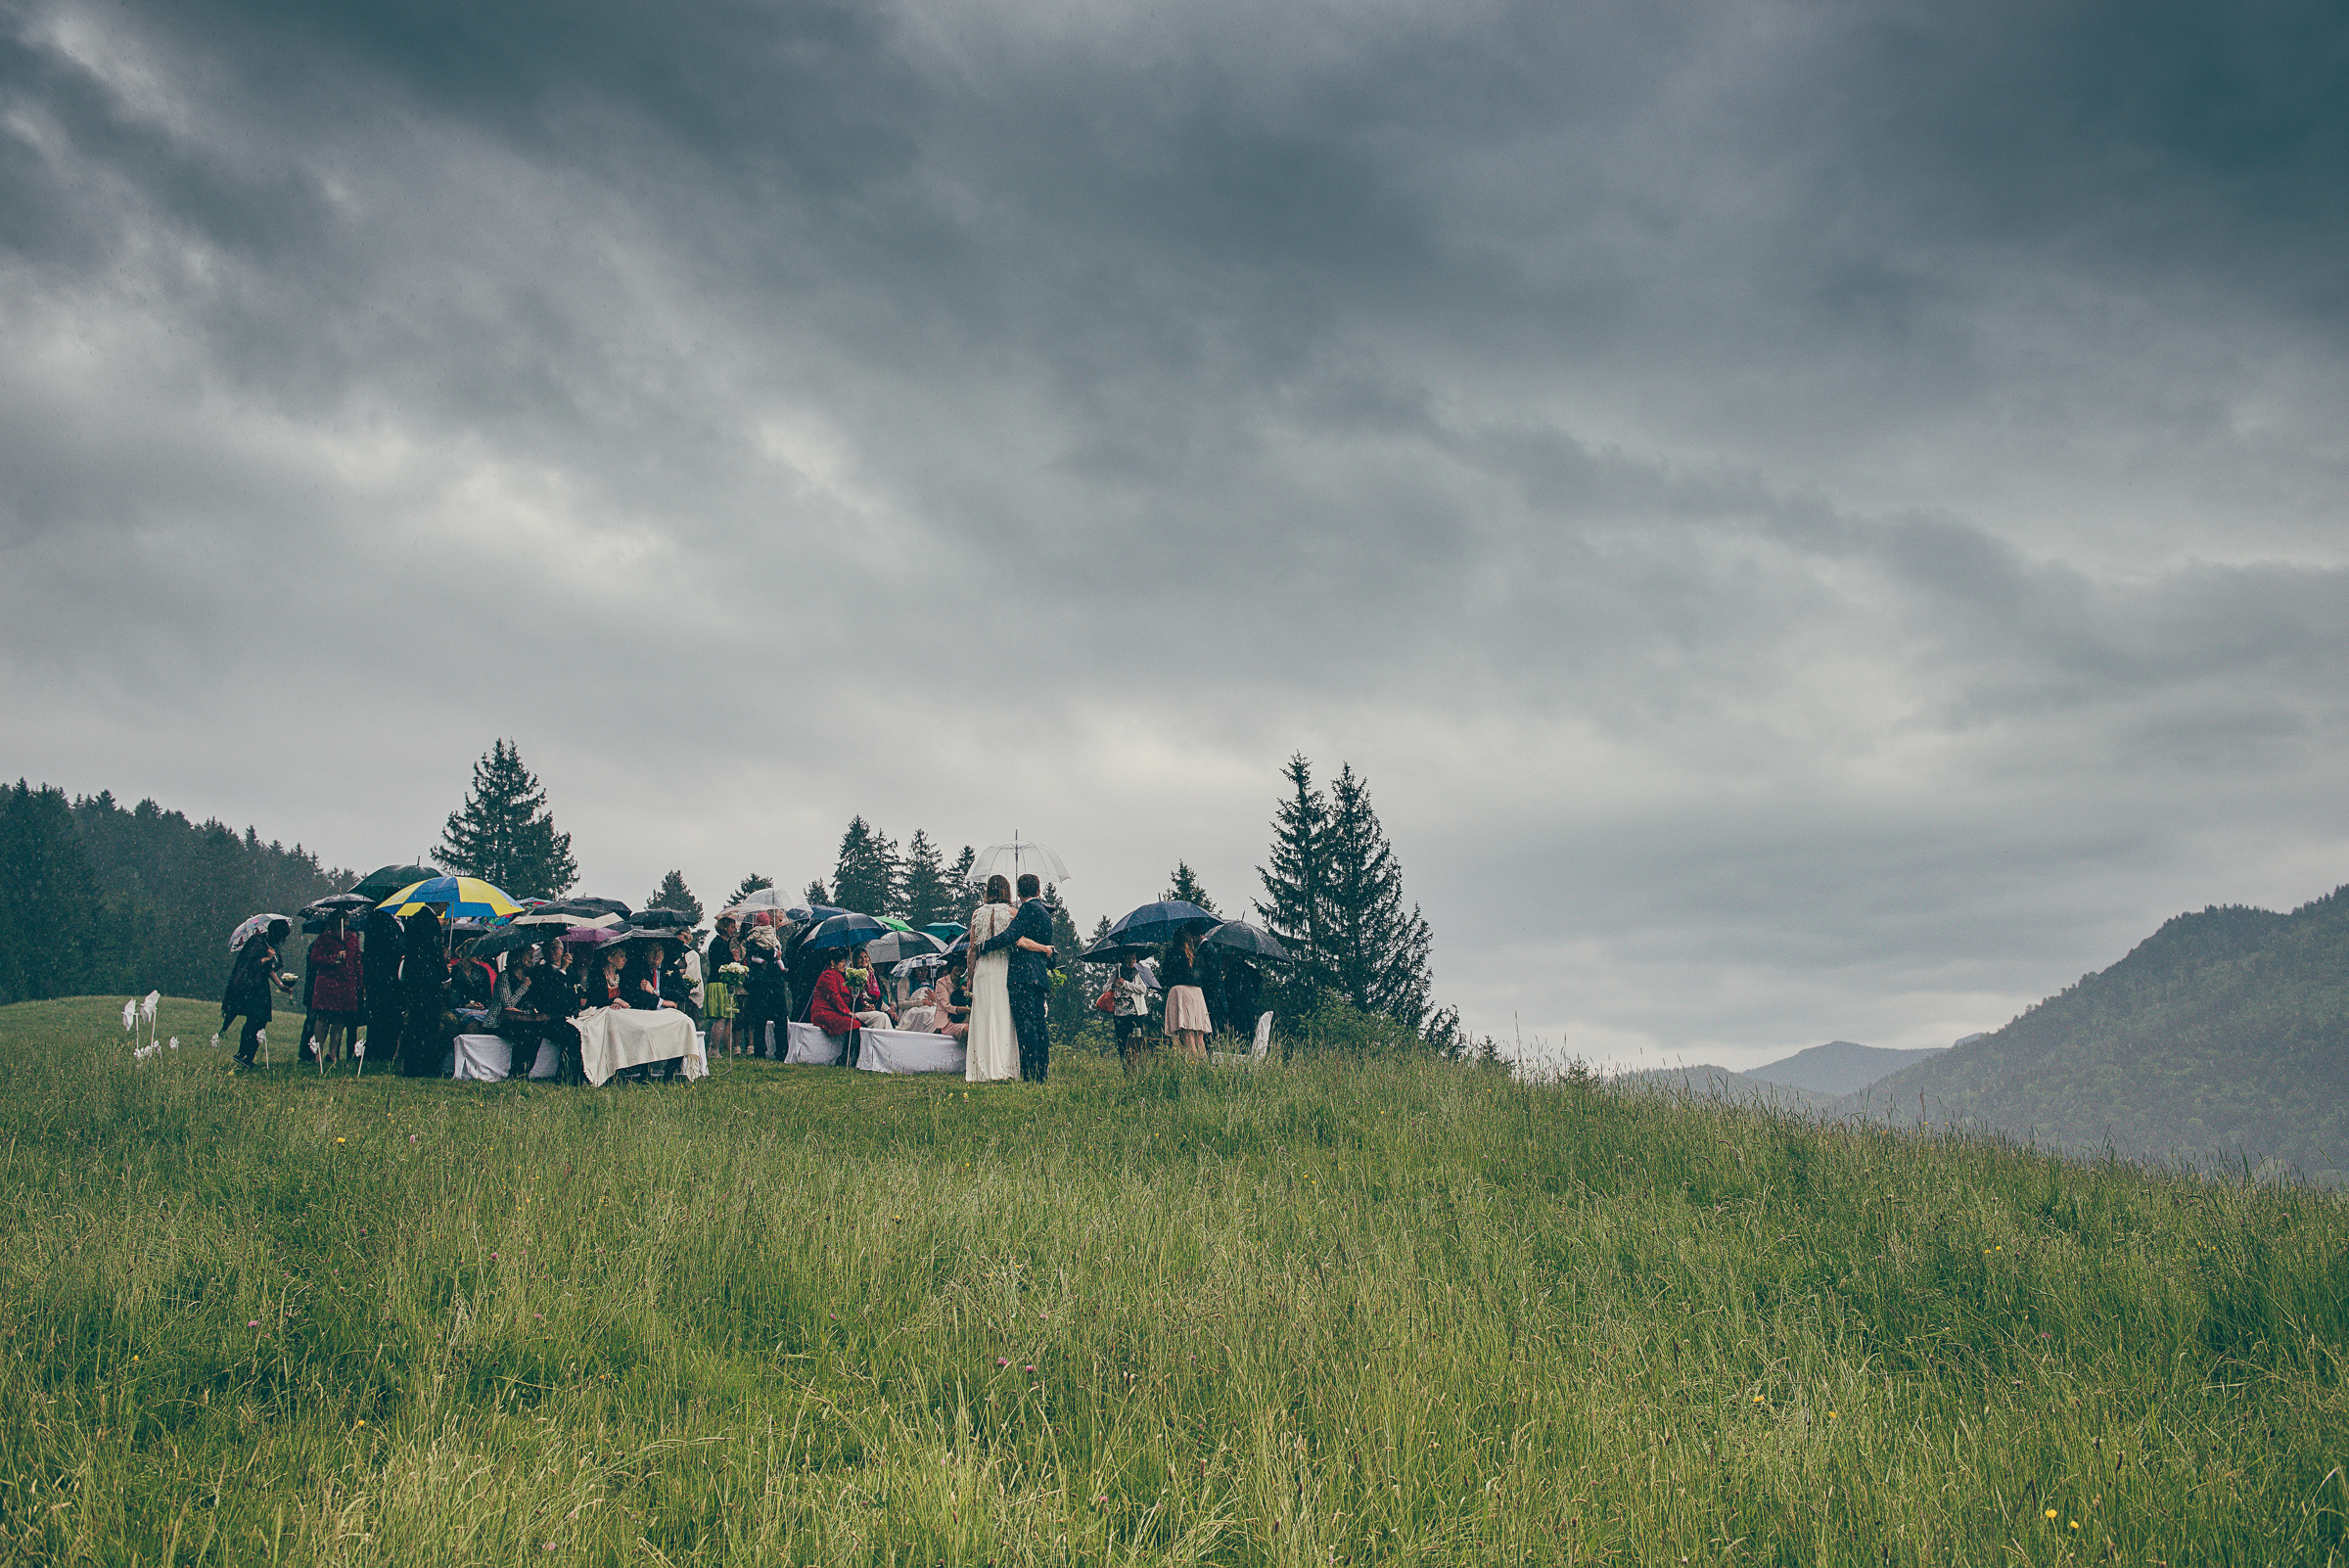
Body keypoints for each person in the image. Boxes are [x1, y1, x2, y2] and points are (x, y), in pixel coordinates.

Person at [978, 872, 1056, 1082]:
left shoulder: (1027, 909)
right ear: (1039, 890)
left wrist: (985, 946)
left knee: (1026, 1025)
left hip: (1023, 976)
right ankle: (1042, 1073)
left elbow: (1011, 936)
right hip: (1039, 975)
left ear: (1019, 892)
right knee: (1040, 1024)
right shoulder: (1046, 914)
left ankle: (1030, 1074)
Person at [963, 878, 1018, 1082]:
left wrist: (969, 977)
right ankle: (1004, 1066)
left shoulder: (977, 914)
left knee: (984, 1018)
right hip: (1004, 966)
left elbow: (972, 949)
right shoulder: (1013, 913)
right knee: (1004, 1017)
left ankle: (981, 1068)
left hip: (983, 969)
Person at [221, 921, 293, 1067]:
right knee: (253, 1020)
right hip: (249, 987)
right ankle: (242, 1053)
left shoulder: (271, 945)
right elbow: (247, 964)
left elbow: (269, 969)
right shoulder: (256, 941)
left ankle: (249, 1057)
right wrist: (266, 958)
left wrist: (280, 984)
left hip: (261, 986)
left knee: (262, 1021)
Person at [307, 911, 365, 1068]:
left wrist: (361, 984)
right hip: (327, 983)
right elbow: (314, 959)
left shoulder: (352, 940)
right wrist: (333, 958)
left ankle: (333, 1053)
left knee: (339, 1019)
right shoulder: (323, 939)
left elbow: (357, 963)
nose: (345, 923)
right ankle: (318, 1052)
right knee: (323, 1017)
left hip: (346, 983)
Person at [399, 907, 449, 1077]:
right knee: (429, 1024)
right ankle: (425, 1065)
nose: (446, 907)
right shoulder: (430, 922)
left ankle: (411, 1064)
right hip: (429, 979)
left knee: (415, 1022)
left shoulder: (413, 919)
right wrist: (445, 975)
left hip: (414, 978)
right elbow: (435, 952)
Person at [361, 907, 405, 1068]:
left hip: (394, 977)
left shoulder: (402, 920)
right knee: (380, 1014)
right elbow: (379, 947)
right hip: (381, 975)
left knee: (392, 1016)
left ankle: (388, 1051)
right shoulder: (378, 918)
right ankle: (376, 1052)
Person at [1160, 927, 1212, 1060]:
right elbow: (1204, 977)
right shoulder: (1198, 956)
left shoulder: (1172, 954)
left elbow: (1165, 978)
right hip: (1197, 994)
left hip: (1180, 993)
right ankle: (1205, 1068)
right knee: (1199, 1037)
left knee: (1186, 1034)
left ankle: (1195, 1070)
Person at [741, 921, 789, 1057]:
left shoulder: (776, 938)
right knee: (760, 1017)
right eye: (779, 920)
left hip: (776, 982)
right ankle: (760, 1050)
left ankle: (782, 1050)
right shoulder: (754, 939)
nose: (780, 923)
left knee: (780, 1017)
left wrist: (779, 955)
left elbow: (782, 957)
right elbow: (754, 953)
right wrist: (773, 954)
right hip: (761, 982)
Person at [704, 916, 743, 1055]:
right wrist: (734, 959)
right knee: (721, 1016)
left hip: (719, 982)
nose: (734, 929)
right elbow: (722, 965)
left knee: (724, 1017)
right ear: (725, 928)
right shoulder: (718, 944)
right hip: (718, 983)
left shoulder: (721, 943)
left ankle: (714, 1048)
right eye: (732, 927)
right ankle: (713, 1049)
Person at [807, 948, 863, 1044]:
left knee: (857, 1023)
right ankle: (846, 1057)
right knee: (854, 1024)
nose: (844, 964)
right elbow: (834, 997)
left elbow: (845, 998)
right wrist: (848, 1012)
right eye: (841, 962)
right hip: (823, 1013)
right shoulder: (827, 975)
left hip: (834, 1012)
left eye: (844, 962)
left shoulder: (840, 976)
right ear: (833, 962)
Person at [1112, 956, 1154, 1075]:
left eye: (1134, 958)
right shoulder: (1117, 972)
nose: (1132, 961)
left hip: (1136, 1014)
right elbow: (1105, 987)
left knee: (1136, 1042)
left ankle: (1139, 1068)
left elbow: (1142, 989)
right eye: (1129, 959)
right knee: (1122, 1043)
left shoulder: (1139, 972)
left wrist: (1125, 984)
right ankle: (1126, 1069)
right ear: (1124, 959)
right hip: (1119, 1014)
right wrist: (1114, 985)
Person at [843, 945, 891, 1028]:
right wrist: (862, 1008)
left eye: (866, 957)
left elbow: (880, 1000)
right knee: (882, 1017)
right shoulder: (852, 976)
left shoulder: (874, 976)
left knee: (882, 1016)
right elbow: (850, 999)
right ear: (855, 960)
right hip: (858, 1011)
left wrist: (874, 1007)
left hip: (873, 1010)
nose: (864, 959)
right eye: (860, 958)